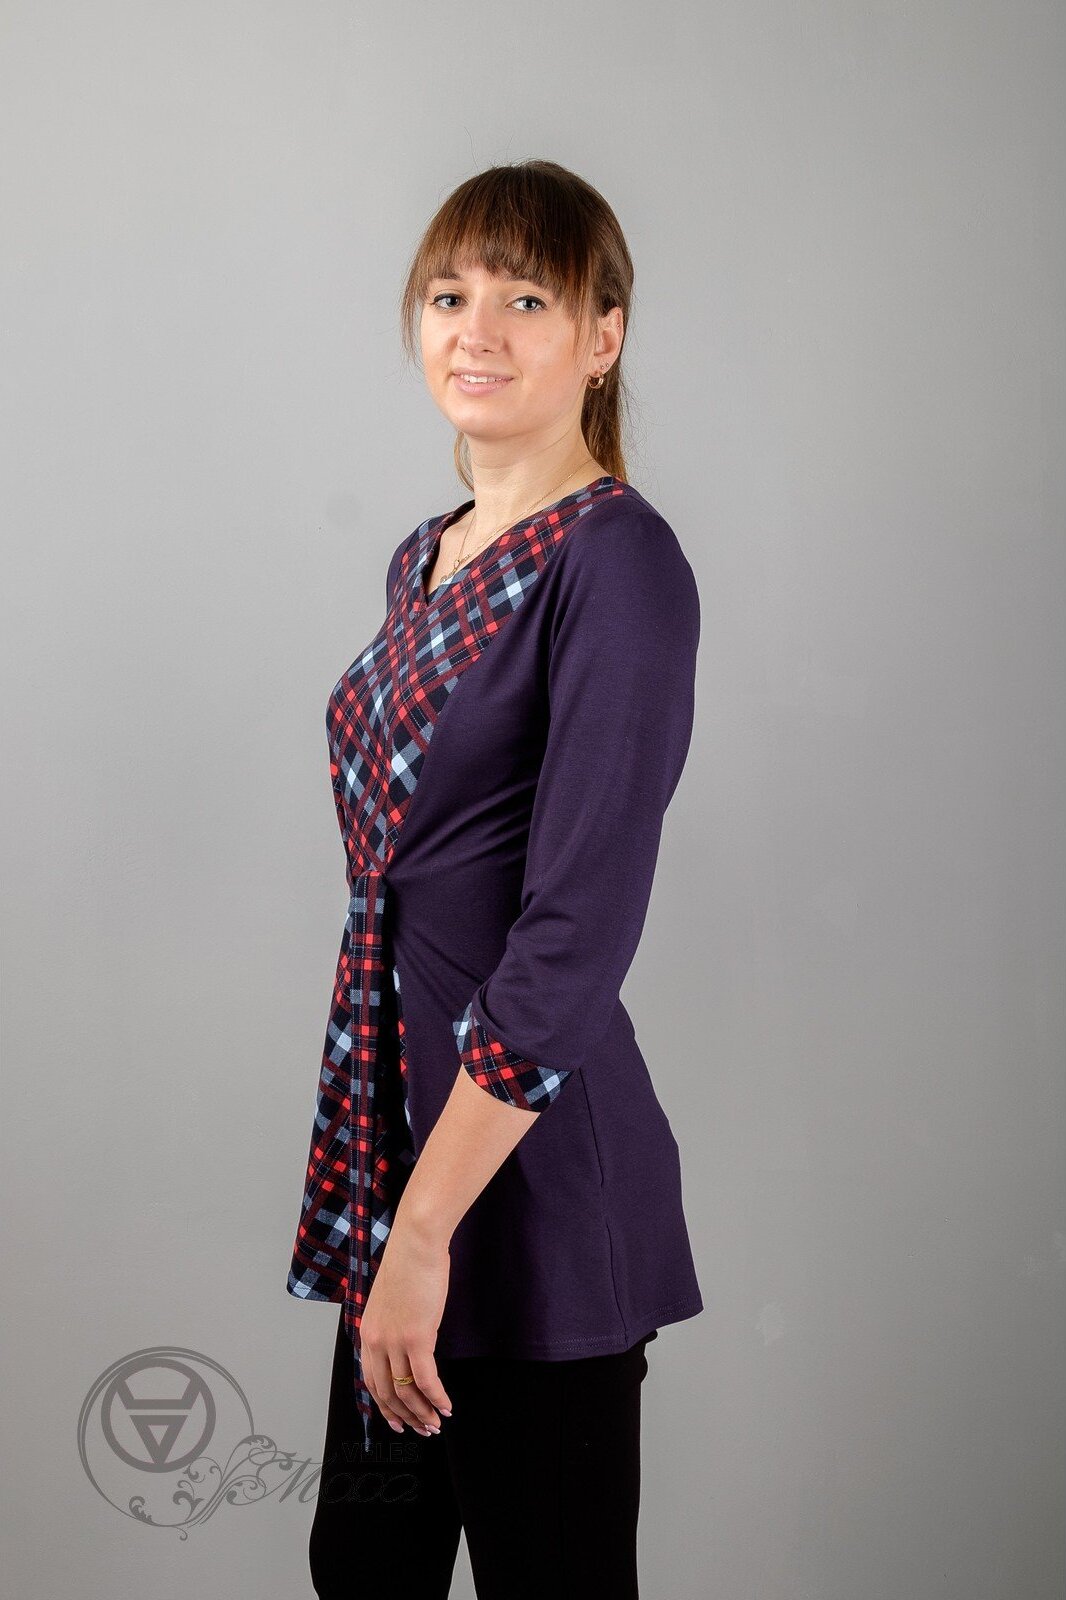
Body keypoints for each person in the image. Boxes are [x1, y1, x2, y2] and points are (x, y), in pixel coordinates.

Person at [287, 158, 704, 1599]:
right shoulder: (429, 557)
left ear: (601, 336)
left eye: (527, 299)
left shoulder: (619, 563)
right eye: (450, 294)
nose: (476, 330)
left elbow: (572, 937)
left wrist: (425, 1233)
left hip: (518, 1179)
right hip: (397, 1154)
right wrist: (395, 1216)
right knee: (364, 1574)